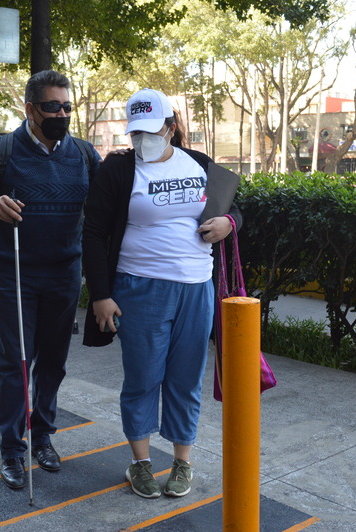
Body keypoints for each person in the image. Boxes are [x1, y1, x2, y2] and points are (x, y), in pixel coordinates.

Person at [81, 89, 242, 499]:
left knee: (186, 379)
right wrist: (101, 294)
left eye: (151, 132)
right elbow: (94, 233)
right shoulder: (118, 170)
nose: (143, 141)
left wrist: (228, 223)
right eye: (136, 133)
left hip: (196, 287)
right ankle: (140, 463)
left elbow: (234, 208)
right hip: (140, 287)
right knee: (143, 378)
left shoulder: (199, 163)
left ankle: (182, 461)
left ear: (171, 128)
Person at [0, 70, 100, 490]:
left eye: (67, 107)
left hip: (65, 275)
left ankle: (43, 437)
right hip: (13, 275)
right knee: (15, 364)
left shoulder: (85, 155)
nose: (62, 114)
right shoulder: (1, 151)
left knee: (53, 364)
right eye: (53, 107)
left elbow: (110, 207)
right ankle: (12, 449)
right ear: (31, 109)